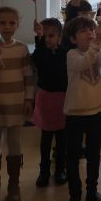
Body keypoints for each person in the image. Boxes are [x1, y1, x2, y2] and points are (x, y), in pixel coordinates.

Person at [0, 7, 35, 201]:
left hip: (16, 103)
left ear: (17, 25)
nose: (7, 27)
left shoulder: (22, 48)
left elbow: (28, 76)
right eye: (2, 23)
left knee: (14, 142)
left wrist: (29, 99)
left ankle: (13, 184)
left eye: (12, 23)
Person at [63, 16, 101, 201]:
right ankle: (74, 195)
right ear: (73, 39)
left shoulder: (97, 51)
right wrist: (97, 43)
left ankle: (92, 191)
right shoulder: (72, 54)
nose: (90, 33)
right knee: (73, 156)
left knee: (94, 155)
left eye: (92, 29)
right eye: (84, 31)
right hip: (75, 113)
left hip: (96, 112)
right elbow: (84, 63)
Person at [32, 18, 68, 188]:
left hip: (62, 99)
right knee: (46, 139)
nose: (47, 39)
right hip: (46, 99)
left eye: (51, 36)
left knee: (62, 139)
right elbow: (40, 61)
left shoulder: (65, 53)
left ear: (59, 37)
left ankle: (60, 168)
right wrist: (39, 41)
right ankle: (44, 171)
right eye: (44, 36)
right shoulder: (40, 53)